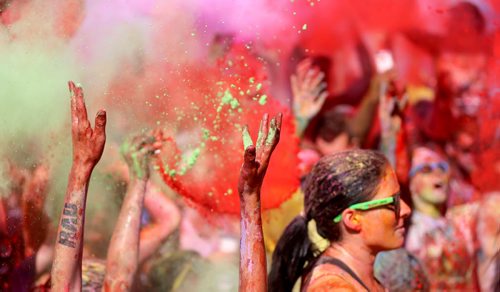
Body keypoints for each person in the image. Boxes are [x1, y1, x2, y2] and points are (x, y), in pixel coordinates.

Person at [267, 149, 411, 291]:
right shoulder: (331, 288)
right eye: (393, 202)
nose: (406, 210)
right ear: (353, 218)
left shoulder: (356, 275)